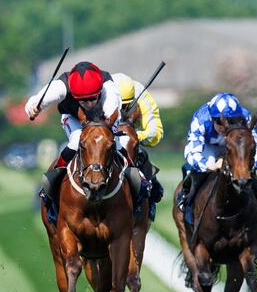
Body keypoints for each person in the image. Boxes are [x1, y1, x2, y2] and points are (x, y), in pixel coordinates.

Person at [24, 61, 126, 198]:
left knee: (117, 145)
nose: (89, 104)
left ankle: (138, 181)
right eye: (84, 101)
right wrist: (34, 108)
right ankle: (53, 179)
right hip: (74, 118)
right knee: (76, 140)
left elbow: (111, 116)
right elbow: (34, 101)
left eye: (93, 98)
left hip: (104, 119)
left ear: (100, 90)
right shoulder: (60, 87)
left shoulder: (109, 89)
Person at [178, 92, 257, 225]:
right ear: (211, 118)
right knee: (193, 171)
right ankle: (187, 200)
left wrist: (246, 166)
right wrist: (209, 166)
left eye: (230, 122)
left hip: (235, 148)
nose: (223, 126)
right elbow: (191, 152)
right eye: (219, 122)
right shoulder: (200, 118)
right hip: (209, 148)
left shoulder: (245, 117)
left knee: (245, 168)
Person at [113, 72, 165, 204]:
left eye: (127, 106)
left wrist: (133, 136)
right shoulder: (102, 92)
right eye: (119, 105)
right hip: (105, 137)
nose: (122, 109)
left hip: (130, 138)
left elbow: (155, 133)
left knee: (142, 155)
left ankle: (149, 200)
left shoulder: (141, 94)